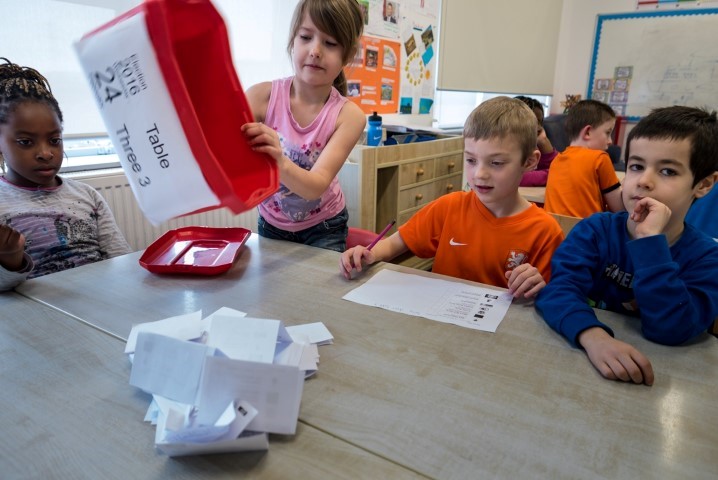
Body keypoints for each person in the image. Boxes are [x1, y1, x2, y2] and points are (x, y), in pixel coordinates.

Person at [536, 106, 718, 386]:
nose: (643, 181)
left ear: (703, 184)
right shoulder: (595, 230)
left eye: (667, 171)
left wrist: (650, 244)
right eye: (636, 166)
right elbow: (558, 290)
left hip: (664, 377)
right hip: (581, 364)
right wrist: (593, 337)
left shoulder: (706, 258)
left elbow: (671, 330)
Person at [340, 96, 564, 299]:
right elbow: (393, 244)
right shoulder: (449, 207)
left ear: (530, 162)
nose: (479, 174)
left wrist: (538, 285)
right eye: (471, 160)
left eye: (496, 163)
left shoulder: (545, 232)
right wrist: (369, 254)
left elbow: (554, 296)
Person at [242, 0, 366, 252]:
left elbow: (315, 187)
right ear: (293, 40)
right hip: (271, 224)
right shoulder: (260, 96)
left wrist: (279, 160)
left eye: (330, 43)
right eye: (306, 37)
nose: (315, 50)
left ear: (348, 54)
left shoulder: (349, 117)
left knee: (319, 281)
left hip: (324, 227)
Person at [0, 58, 131, 292]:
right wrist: (11, 260)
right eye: (26, 142)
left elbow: (120, 259)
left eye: (54, 140)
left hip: (99, 301)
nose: (45, 153)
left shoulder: (87, 195)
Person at [544, 99, 623, 217]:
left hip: (553, 227)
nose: (610, 141)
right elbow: (619, 208)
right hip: (587, 228)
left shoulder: (556, 160)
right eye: (607, 133)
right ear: (587, 133)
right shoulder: (600, 158)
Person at [515, 96, 557, 187]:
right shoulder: (505, 144)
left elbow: (560, 168)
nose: (537, 127)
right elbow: (514, 177)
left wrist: (546, 147)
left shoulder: (537, 145)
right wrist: (552, 174)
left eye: (540, 122)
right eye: (532, 121)